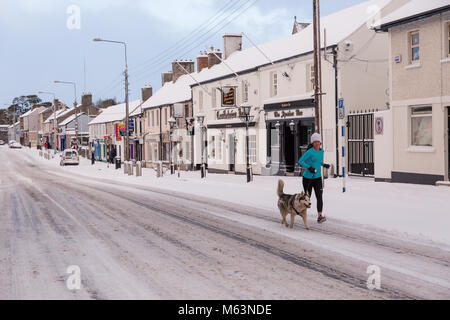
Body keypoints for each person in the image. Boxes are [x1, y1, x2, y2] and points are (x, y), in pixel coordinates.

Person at [298, 133, 331, 224]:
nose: (317, 143)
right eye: (315, 141)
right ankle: (301, 212)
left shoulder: (321, 151)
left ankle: (320, 216)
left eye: (318, 141)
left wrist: (324, 164)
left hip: (317, 178)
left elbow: (318, 161)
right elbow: (300, 161)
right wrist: (309, 167)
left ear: (320, 142)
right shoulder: (309, 152)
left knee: (319, 197)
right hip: (307, 178)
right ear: (312, 142)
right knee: (307, 198)